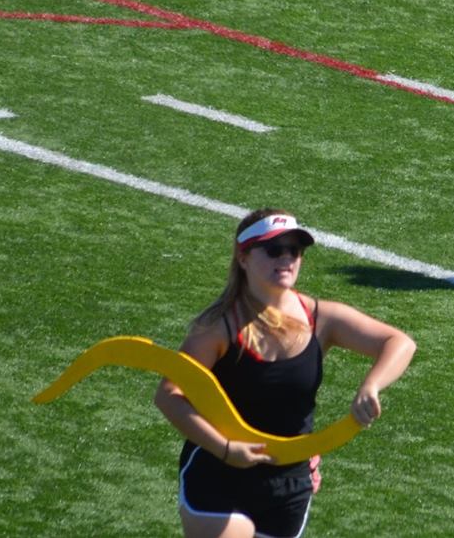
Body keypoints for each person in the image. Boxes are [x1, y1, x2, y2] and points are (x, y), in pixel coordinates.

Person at [155, 210, 416, 538]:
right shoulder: (219, 328)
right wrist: (224, 448)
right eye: (274, 249)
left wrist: (371, 385)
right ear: (243, 257)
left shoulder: (321, 319)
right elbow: (169, 395)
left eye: (294, 250)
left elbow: (400, 343)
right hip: (218, 473)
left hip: (288, 483)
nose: (287, 258)